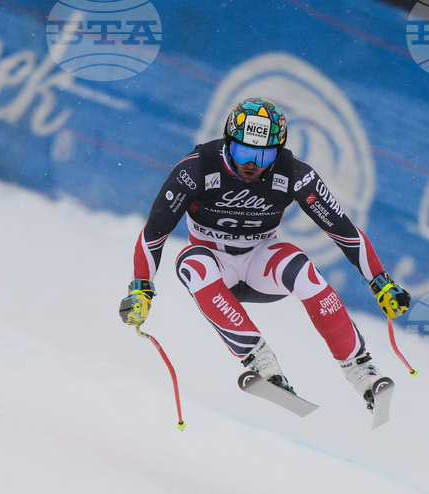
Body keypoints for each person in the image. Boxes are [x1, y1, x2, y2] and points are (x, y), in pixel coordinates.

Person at [119, 97, 411, 415]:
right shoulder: (197, 168)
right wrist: (140, 289)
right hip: (216, 266)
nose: (252, 164)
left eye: (264, 155)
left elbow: (343, 231)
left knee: (302, 268)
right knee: (192, 262)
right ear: (228, 143)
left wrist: (381, 283)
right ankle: (261, 362)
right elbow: (154, 234)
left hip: (261, 262)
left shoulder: (294, 173)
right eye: (243, 151)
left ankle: (363, 373)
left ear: (278, 151)